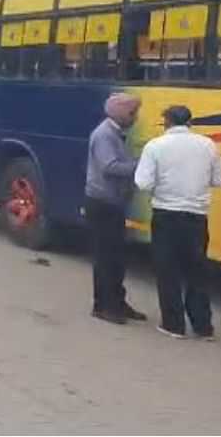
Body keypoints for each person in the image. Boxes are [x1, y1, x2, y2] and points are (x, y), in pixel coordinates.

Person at [135, 105, 221, 340]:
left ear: (166, 122)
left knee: (168, 270)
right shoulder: (208, 145)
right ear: (189, 122)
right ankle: (203, 326)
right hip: (197, 217)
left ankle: (173, 325)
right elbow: (219, 179)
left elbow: (143, 183)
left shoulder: (155, 146)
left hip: (166, 215)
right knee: (197, 271)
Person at [85, 92, 145, 325]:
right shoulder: (104, 135)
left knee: (117, 257)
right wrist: (141, 164)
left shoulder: (117, 133)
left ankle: (118, 302)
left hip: (114, 202)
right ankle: (103, 306)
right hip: (103, 203)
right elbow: (110, 167)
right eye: (133, 113)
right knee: (105, 257)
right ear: (122, 114)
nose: (135, 117)